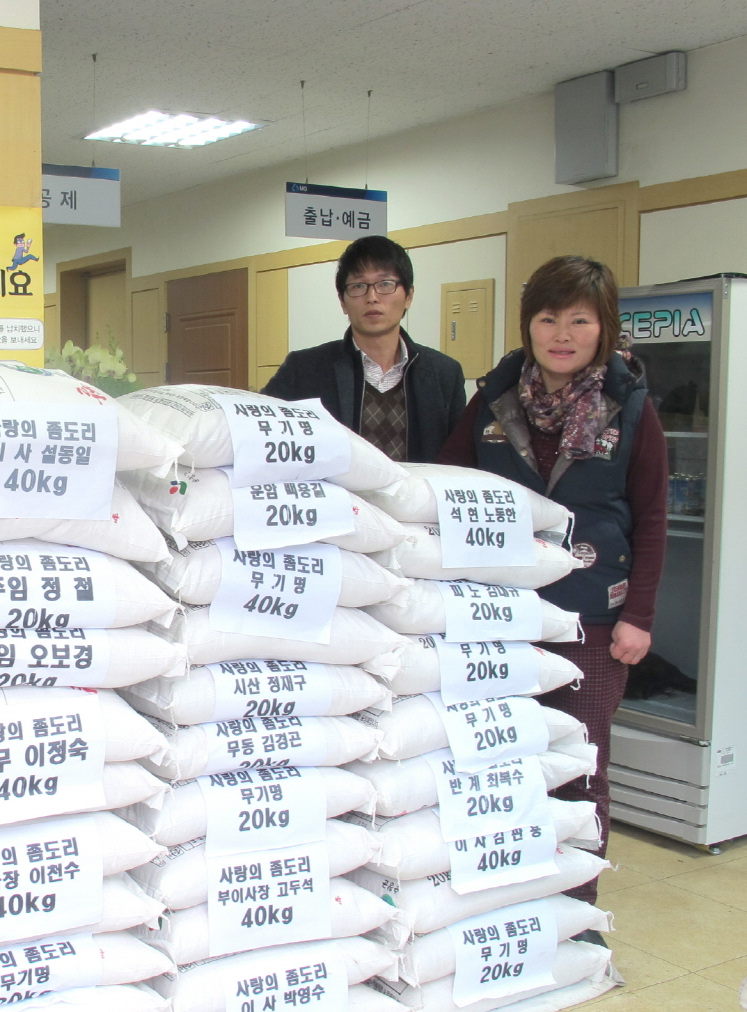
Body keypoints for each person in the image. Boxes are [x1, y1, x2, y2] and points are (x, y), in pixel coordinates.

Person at [436, 255, 668, 905]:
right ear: (527, 325)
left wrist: (639, 616)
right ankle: (512, 901)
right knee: (499, 762)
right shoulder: (493, 399)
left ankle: (575, 912)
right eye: (547, 318)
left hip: (590, 616)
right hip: (498, 616)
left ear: (603, 327)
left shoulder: (629, 407)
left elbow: (652, 515)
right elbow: (445, 485)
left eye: (579, 320)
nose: (561, 334)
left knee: (577, 767)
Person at [263, 234, 466, 461]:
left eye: (385, 284)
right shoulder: (303, 369)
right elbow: (261, 432)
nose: (372, 297)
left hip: (418, 485)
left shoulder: (444, 373)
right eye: (358, 286)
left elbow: (458, 458)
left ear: (408, 296)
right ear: (342, 301)